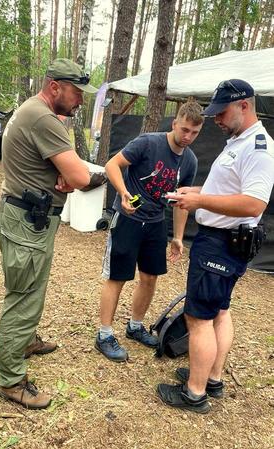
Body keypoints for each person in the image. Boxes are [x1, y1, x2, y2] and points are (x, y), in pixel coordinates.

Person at [157, 79, 274, 414]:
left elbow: (253, 203)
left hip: (221, 243)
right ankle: (211, 377)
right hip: (223, 241)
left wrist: (200, 201)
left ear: (244, 106)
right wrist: (194, 193)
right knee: (219, 311)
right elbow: (226, 188)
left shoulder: (258, 147)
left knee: (199, 317)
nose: (217, 119)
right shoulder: (239, 139)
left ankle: (194, 393)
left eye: (221, 112)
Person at [0, 58, 97, 409]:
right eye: (76, 93)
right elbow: (82, 178)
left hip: (28, 219)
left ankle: (24, 341)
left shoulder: (32, 112)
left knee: (31, 287)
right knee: (22, 296)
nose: (80, 101)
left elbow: (64, 174)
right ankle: (11, 380)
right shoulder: (43, 117)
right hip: (28, 222)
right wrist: (78, 177)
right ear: (54, 86)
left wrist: (66, 177)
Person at [95, 101, 204, 362]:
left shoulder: (190, 161)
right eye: (185, 129)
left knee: (150, 277)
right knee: (117, 276)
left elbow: (181, 201)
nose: (188, 137)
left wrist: (177, 236)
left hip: (156, 223)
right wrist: (123, 193)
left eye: (194, 133)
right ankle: (104, 334)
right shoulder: (148, 143)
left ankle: (135, 326)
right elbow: (112, 165)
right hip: (128, 218)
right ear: (175, 123)